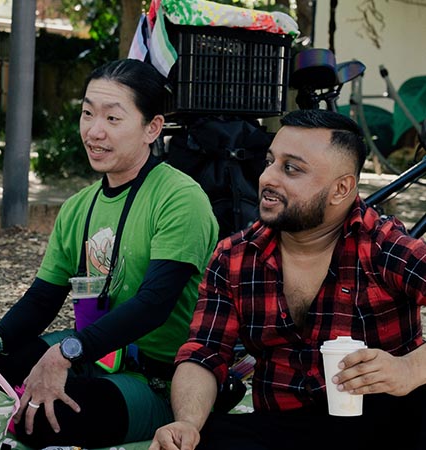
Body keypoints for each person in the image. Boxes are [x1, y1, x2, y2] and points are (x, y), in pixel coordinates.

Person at [0, 58, 219, 449]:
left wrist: (65, 354)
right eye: (87, 114)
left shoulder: (180, 198)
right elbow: (42, 298)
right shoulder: (78, 207)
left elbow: (155, 304)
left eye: (113, 119)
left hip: (160, 378)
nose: (94, 131)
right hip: (94, 354)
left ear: (152, 128)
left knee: (46, 420)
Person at [150, 109, 426, 450]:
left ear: (341, 188)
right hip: (283, 427)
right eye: (270, 161)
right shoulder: (234, 257)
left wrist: (410, 370)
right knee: (200, 440)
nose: (268, 178)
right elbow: (205, 353)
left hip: (384, 422)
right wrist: (187, 423)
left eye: (291, 168)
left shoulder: (384, 246)